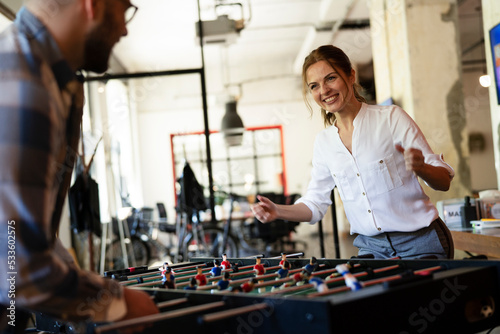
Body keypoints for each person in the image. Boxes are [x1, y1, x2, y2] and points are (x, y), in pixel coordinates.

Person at [0, 0, 158, 332]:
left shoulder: (55, 80)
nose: (125, 28)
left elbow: (24, 233)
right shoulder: (25, 79)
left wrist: (77, 276)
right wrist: (117, 304)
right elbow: (19, 270)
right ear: (93, 5)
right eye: (123, 10)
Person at [251, 45, 455, 260]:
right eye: (314, 86)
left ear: (350, 76)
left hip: (419, 243)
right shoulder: (324, 143)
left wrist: (421, 168)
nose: (324, 90)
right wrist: (277, 211)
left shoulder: (391, 118)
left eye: (330, 78)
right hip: (372, 250)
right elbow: (315, 204)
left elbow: (443, 182)